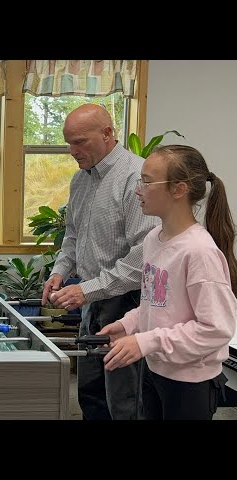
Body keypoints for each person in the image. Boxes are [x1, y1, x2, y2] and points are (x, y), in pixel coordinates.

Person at [99, 145, 237, 420]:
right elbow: (156, 302)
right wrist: (129, 324)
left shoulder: (199, 252)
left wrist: (148, 340)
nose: (138, 190)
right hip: (154, 371)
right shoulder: (154, 239)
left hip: (189, 384)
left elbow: (217, 329)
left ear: (179, 189)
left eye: (147, 182)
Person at [41, 104, 159, 420]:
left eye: (80, 141)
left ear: (107, 133)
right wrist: (60, 271)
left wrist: (87, 290)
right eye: (69, 143)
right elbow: (73, 236)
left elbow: (143, 257)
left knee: (124, 398)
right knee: (90, 392)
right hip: (92, 301)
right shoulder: (80, 180)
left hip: (127, 303)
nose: (72, 151)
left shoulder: (137, 176)